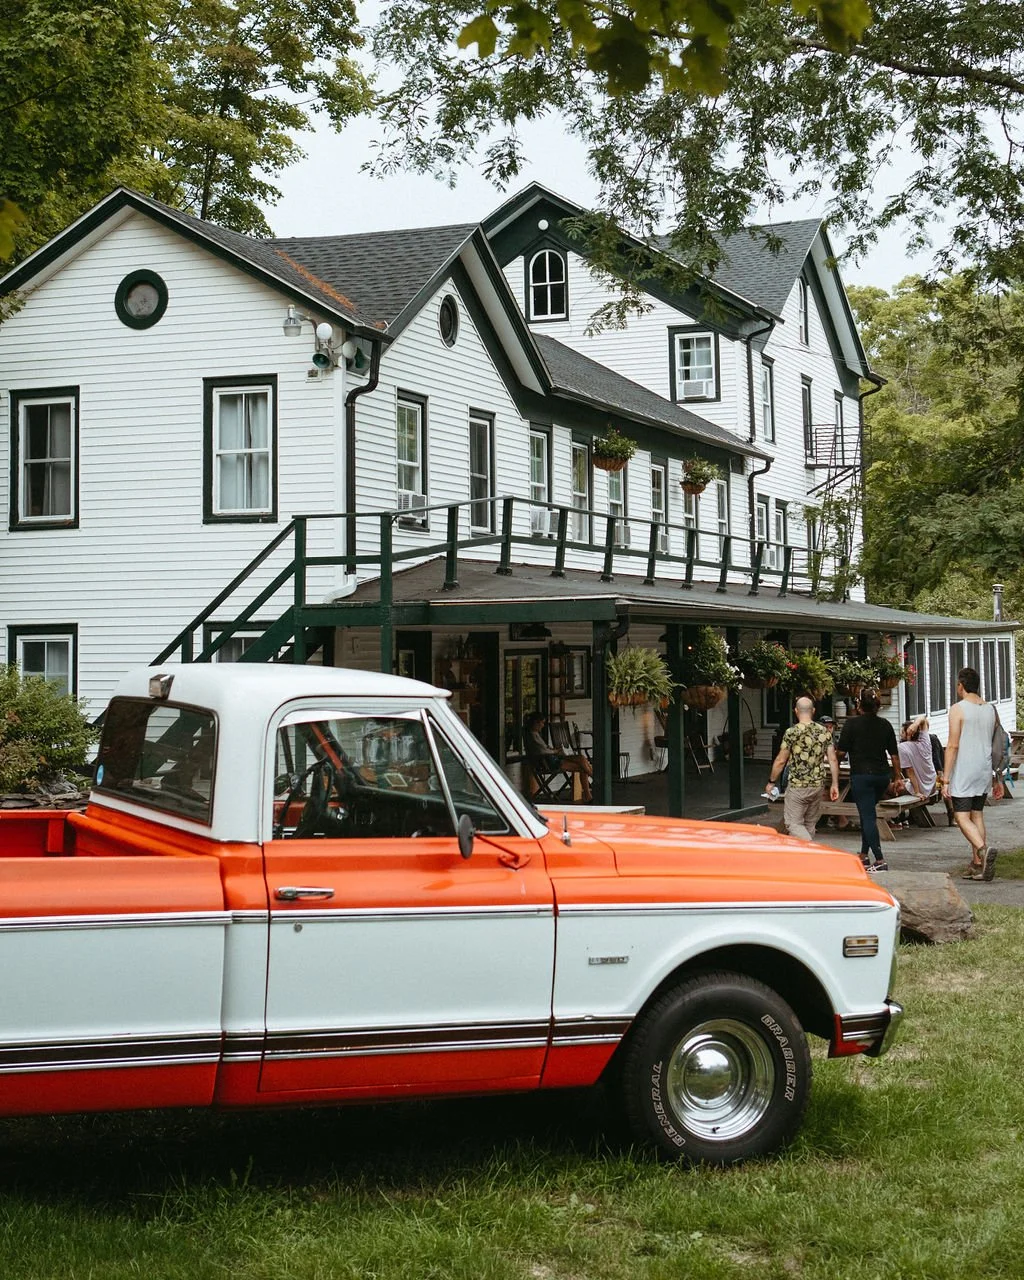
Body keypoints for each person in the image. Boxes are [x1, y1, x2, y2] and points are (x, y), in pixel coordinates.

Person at [942, 667, 1003, 881]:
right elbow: (997, 743)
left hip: (965, 769)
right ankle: (978, 866)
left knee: (960, 816)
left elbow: (952, 745)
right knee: (977, 813)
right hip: (984, 768)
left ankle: (983, 850)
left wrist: (946, 779)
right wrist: (998, 777)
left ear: (961, 685)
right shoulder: (990, 709)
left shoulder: (958, 709)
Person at [836, 687, 905, 873]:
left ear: (859, 705)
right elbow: (894, 755)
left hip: (861, 776)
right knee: (869, 814)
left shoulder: (851, 725)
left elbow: (841, 752)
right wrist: (897, 776)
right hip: (882, 776)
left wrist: (834, 760)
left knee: (867, 817)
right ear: (877, 705)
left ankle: (880, 859)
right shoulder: (885, 725)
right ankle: (864, 856)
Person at [766, 697, 840, 843]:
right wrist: (835, 784)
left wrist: (771, 781)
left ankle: (812, 849)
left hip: (797, 786)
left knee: (793, 824)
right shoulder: (824, 732)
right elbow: (832, 759)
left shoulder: (792, 732)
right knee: (809, 824)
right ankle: (806, 860)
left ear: (796, 711)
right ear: (813, 711)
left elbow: (781, 760)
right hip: (818, 785)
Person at [524, 711, 593, 802]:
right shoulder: (532, 736)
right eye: (542, 723)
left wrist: (554, 749)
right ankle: (591, 790)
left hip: (553, 758)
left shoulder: (535, 734)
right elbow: (542, 751)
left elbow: (543, 748)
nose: (543, 725)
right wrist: (555, 751)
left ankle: (592, 785)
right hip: (550, 762)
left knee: (581, 758)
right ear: (536, 722)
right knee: (582, 766)